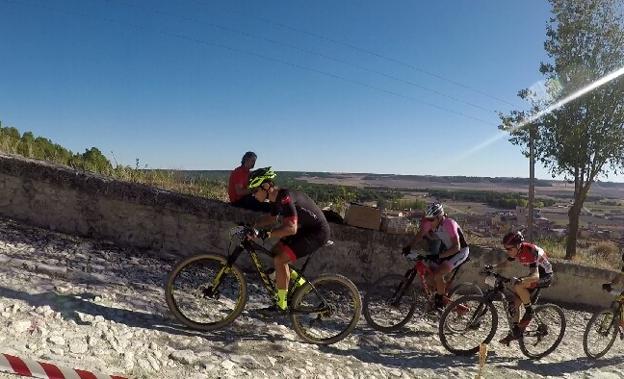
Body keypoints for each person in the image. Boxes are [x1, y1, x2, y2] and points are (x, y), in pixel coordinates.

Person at [249, 167, 331, 313]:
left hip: (318, 233)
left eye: (255, 190)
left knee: (280, 260)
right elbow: (272, 218)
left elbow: (291, 229)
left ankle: (281, 304)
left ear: (266, 187)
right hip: (307, 229)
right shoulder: (276, 199)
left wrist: (266, 234)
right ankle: (300, 283)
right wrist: (253, 225)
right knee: (275, 252)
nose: (253, 194)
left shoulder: (284, 198)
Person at [497, 231, 554, 346]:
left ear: (518, 246)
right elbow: (506, 263)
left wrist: (521, 281)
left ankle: (529, 310)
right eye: (505, 249)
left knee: (518, 285)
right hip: (535, 276)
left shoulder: (529, 251)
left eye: (509, 249)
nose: (507, 251)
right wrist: (492, 267)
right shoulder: (517, 251)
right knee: (514, 304)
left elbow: (535, 276)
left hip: (545, 277)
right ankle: (515, 332)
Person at [424, 202, 470, 310]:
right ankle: (441, 294)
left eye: (431, 220)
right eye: (428, 219)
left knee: (438, 274)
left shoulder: (449, 223)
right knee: (428, 275)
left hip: (460, 251)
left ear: (439, 217)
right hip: (449, 250)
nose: (430, 222)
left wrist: (439, 256)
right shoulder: (436, 224)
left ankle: (440, 302)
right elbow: (435, 236)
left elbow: (457, 247)